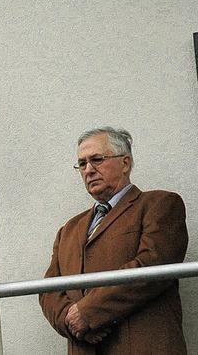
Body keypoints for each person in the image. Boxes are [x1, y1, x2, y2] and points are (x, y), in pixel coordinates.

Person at [39, 127, 188, 354]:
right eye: (82, 164)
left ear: (125, 163)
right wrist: (71, 321)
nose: (88, 170)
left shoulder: (159, 204)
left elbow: (152, 267)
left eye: (97, 159)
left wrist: (87, 314)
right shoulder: (68, 229)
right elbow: (48, 289)